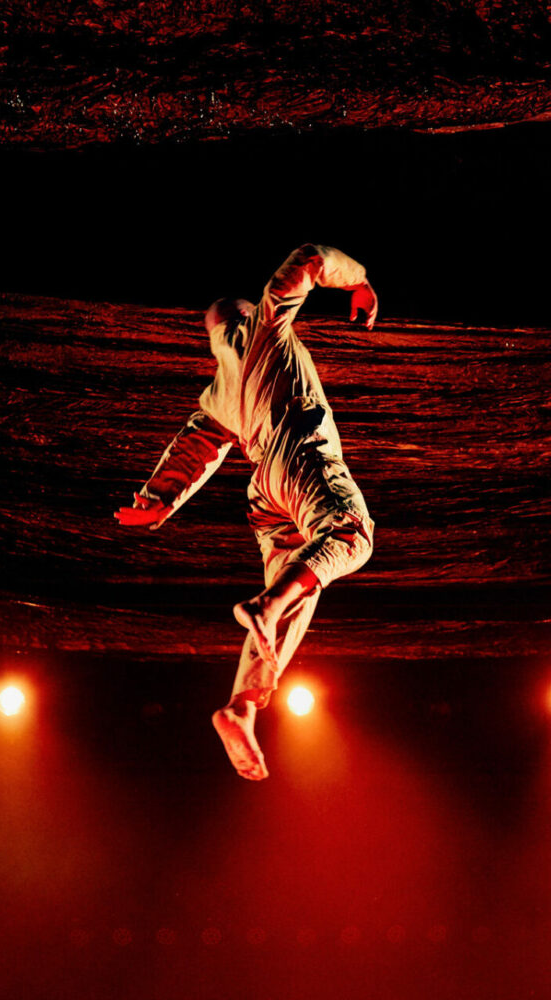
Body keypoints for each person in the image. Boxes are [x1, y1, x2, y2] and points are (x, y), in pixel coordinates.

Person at [116, 244, 378, 780]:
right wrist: (359, 281)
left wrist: (158, 501)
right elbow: (308, 257)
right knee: (352, 536)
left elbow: (194, 451)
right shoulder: (267, 325)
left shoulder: (217, 391)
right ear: (244, 316)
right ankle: (266, 604)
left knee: (300, 589)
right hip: (300, 460)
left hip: (264, 496)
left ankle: (243, 705)